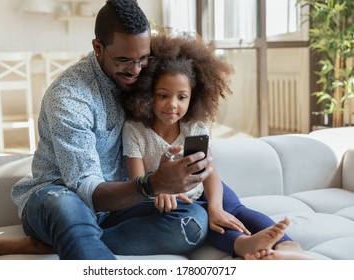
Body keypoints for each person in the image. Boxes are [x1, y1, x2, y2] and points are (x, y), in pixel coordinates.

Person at [0, 0, 213, 260]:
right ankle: (74, 236)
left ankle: (56, 242)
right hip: (59, 197)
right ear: (97, 47)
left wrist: (197, 179)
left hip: (120, 201)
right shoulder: (70, 96)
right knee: (67, 206)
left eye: (143, 58)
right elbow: (87, 188)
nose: (136, 70)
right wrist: (152, 184)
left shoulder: (144, 81)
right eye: (124, 60)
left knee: (193, 221)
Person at [120, 30, 315, 260]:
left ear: (194, 97)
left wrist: (216, 206)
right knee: (202, 217)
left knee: (234, 210)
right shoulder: (135, 130)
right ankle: (245, 245)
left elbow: (209, 173)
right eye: (163, 95)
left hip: (206, 187)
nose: (172, 105)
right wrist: (159, 191)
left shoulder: (194, 127)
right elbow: (137, 183)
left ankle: (287, 246)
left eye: (182, 97)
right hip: (178, 202)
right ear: (147, 93)